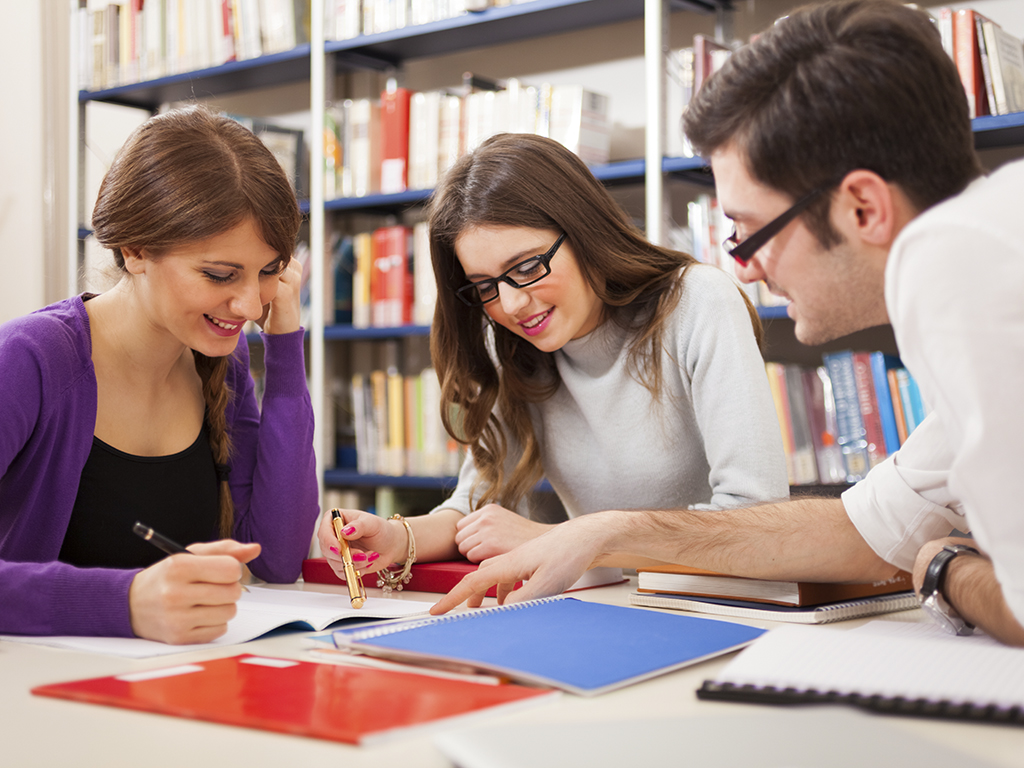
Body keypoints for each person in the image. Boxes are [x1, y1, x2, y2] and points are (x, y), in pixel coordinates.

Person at [432, 0, 1024, 647]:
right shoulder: (982, 247)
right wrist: (601, 533)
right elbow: (867, 530)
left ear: (862, 208)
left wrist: (945, 568)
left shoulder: (969, 269)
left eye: (748, 232)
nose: (746, 270)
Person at [317, 132, 788, 589]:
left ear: (584, 230)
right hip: (608, 603)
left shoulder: (697, 301)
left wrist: (562, 540)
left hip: (722, 606)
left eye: (526, 268)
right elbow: (475, 506)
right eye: (485, 287)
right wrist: (398, 538)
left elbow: (754, 517)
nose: (512, 305)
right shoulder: (516, 344)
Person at [0, 106, 319, 644]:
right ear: (136, 249)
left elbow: (279, 558)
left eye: (269, 271)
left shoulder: (224, 362)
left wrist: (285, 352)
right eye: (220, 274)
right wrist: (122, 603)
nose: (246, 304)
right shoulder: (32, 358)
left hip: (171, 689)